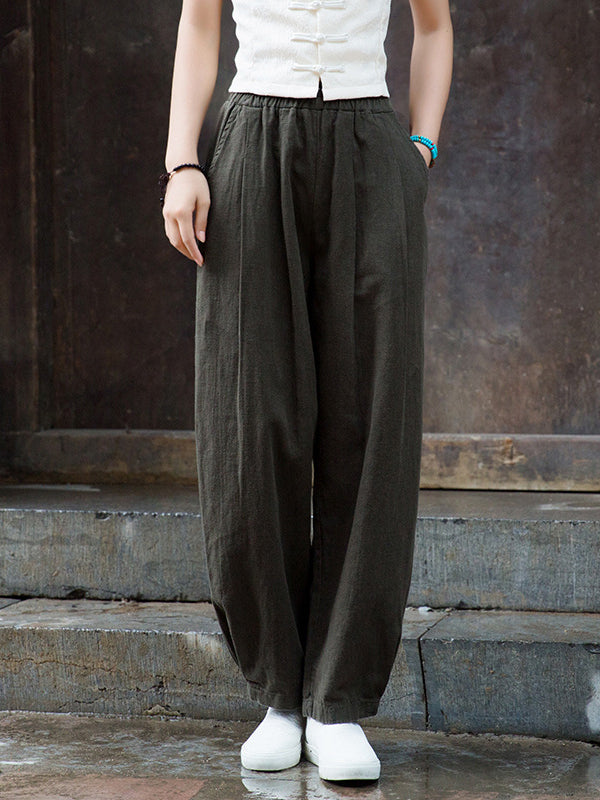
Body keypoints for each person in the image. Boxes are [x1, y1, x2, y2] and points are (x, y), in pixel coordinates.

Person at [161, 0, 453, 783]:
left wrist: (420, 148)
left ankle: (337, 702)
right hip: (253, 142)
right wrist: (183, 162)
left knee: (372, 417)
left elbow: (434, 26)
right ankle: (279, 698)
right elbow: (199, 24)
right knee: (249, 419)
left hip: (370, 144)